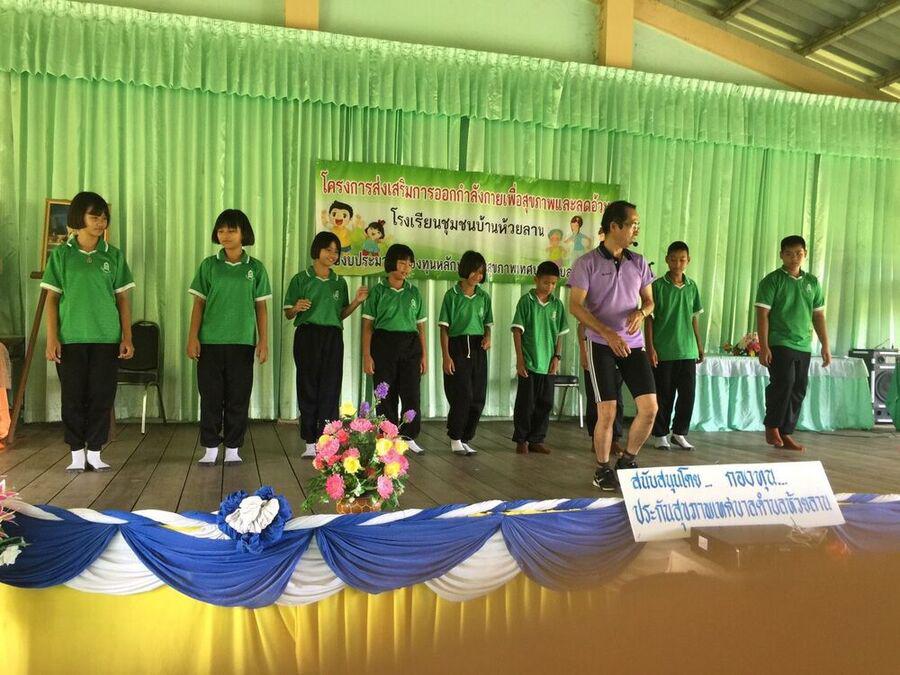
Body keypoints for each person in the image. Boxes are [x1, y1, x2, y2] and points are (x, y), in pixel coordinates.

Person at [41, 191, 135, 472]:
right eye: (94, 216)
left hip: (107, 338)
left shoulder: (113, 255)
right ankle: (76, 453)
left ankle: (95, 451)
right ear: (78, 217)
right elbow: (52, 299)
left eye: (104, 217)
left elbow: (122, 300)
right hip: (71, 338)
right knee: (72, 397)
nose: (101, 222)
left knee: (101, 396)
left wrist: (127, 337)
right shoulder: (61, 255)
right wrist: (52, 337)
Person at [568, 200, 657, 491]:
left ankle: (628, 461)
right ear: (614, 226)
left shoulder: (639, 262)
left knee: (650, 408)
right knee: (607, 410)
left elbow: (650, 301)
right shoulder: (586, 263)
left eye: (638, 224)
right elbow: (576, 306)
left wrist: (641, 313)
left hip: (632, 343)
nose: (636, 229)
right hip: (601, 343)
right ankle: (602, 468)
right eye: (632, 224)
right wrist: (607, 333)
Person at [187, 209, 271, 466]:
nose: (225, 235)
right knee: (210, 396)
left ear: (244, 233)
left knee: (238, 396)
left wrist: (263, 341)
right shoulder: (209, 265)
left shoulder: (255, 268)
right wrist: (192, 337)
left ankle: (233, 447)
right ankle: (211, 447)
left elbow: (261, 307)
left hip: (242, 342)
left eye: (231, 230)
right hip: (210, 342)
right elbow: (199, 304)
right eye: (221, 230)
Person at [284, 231, 367, 458]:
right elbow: (288, 313)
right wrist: (296, 308)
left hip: (333, 337)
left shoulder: (339, 282)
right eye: (328, 250)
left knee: (331, 388)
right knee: (308, 386)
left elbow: (340, 314)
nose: (332, 255)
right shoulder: (301, 279)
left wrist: (356, 302)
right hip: (307, 335)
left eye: (336, 251)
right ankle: (310, 441)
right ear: (316, 250)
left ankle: (328, 441)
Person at [755, 235, 830, 451]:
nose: (794, 258)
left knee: (799, 388)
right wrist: (764, 346)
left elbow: (818, 316)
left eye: (798, 253)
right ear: (781, 255)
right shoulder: (772, 280)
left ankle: (786, 432)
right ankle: (772, 426)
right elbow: (762, 314)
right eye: (789, 253)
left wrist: (825, 345)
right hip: (779, 342)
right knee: (783, 383)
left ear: (805, 254)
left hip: (804, 344)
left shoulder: (812, 282)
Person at [361, 243, 427, 453]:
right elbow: (367, 326)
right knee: (385, 394)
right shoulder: (378, 291)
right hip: (383, 344)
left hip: (410, 345)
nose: (406, 268)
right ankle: (387, 437)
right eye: (402, 263)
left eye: (410, 264)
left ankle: (408, 437)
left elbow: (421, 327)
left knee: (411, 392)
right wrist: (367, 355)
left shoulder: (414, 292)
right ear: (391, 263)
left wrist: (424, 356)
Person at [645, 241, 704, 450]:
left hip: (687, 350)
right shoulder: (657, 286)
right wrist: (650, 348)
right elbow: (649, 319)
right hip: (664, 350)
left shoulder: (692, 286)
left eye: (682, 260)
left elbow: (694, 317)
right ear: (667, 260)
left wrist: (699, 345)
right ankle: (660, 434)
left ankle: (679, 433)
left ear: (688, 261)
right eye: (673, 259)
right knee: (664, 394)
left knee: (688, 395)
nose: (677, 264)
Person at [511, 261, 569, 454]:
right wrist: (520, 360)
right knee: (526, 404)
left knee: (546, 403)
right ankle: (521, 439)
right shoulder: (526, 302)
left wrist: (557, 357)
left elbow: (560, 334)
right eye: (546, 282)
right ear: (536, 280)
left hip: (548, 364)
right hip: (529, 362)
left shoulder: (557, 305)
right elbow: (517, 331)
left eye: (553, 283)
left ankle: (536, 439)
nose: (549, 287)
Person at [439, 250, 493, 455]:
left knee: (478, 396)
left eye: (481, 272)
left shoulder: (484, 297)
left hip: (478, 347)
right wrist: (446, 356)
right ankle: (455, 437)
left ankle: (465, 437)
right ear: (465, 269)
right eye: (474, 271)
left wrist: (488, 337)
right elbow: (444, 328)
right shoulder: (451, 295)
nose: (477, 276)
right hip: (458, 346)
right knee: (462, 394)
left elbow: (487, 324)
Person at [579, 323, 624, 456]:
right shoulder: (595, 309)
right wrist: (583, 351)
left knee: (617, 399)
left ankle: (614, 440)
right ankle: (596, 439)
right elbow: (582, 326)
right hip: (595, 355)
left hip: (618, 355)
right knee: (596, 398)